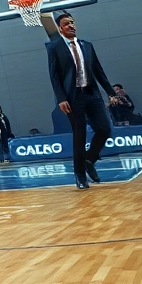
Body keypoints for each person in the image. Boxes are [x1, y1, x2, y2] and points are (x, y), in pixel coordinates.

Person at [46, 13, 117, 189]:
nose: (71, 26)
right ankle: (80, 175)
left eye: (72, 22)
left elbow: (99, 71)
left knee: (105, 129)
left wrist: (110, 92)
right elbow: (54, 77)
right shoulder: (55, 48)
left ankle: (89, 159)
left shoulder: (87, 46)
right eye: (66, 24)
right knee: (80, 135)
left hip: (92, 93)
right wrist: (61, 98)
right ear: (60, 29)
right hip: (72, 97)